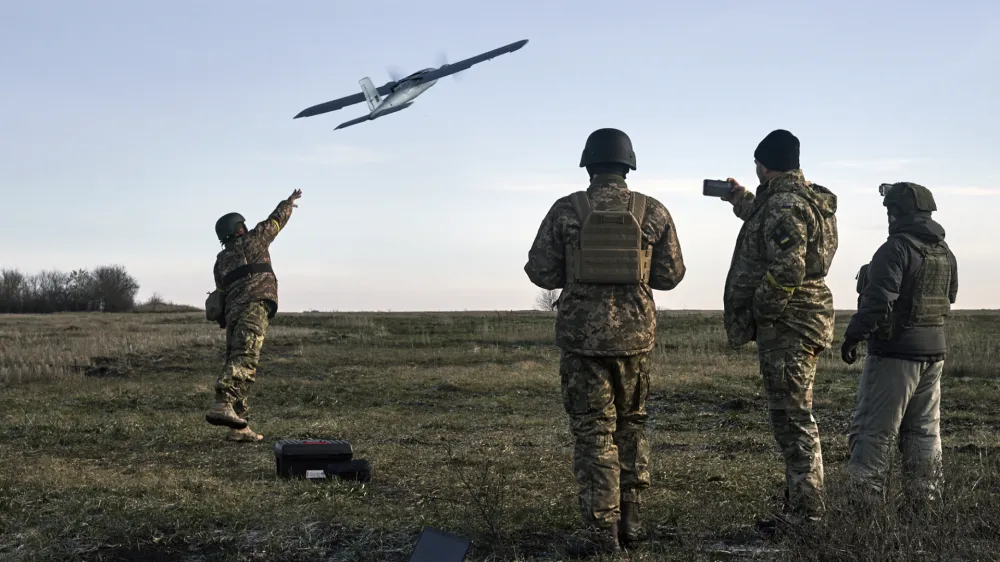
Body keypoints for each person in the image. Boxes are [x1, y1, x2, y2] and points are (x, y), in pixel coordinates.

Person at [524, 128, 686, 555]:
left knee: (595, 433)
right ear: (628, 165)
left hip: (582, 343)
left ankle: (602, 534)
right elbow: (670, 277)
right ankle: (632, 521)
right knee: (632, 425)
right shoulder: (654, 211)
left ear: (589, 165)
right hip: (635, 341)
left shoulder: (566, 210)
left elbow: (540, 272)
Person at [719, 129, 838, 527]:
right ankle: (800, 506)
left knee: (793, 418)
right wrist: (737, 196)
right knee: (790, 415)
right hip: (801, 320)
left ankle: (808, 516)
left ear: (764, 165)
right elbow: (763, 217)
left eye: (756, 165)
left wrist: (760, 311)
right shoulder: (795, 199)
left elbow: (788, 266)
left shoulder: (785, 204)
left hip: (789, 324)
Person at [840, 182, 958, 506]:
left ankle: (863, 514)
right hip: (934, 355)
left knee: (873, 433)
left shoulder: (895, 249)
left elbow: (878, 303)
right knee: (923, 434)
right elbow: (951, 297)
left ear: (897, 213)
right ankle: (925, 511)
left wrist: (853, 336)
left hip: (895, 355)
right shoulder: (944, 252)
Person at [205, 189, 302, 442]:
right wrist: (288, 203)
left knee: (236, 359)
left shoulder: (221, 260)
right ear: (239, 228)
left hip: (234, 314)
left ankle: (239, 427)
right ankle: (223, 400)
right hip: (253, 307)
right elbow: (276, 220)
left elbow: (221, 294)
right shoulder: (255, 240)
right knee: (246, 359)